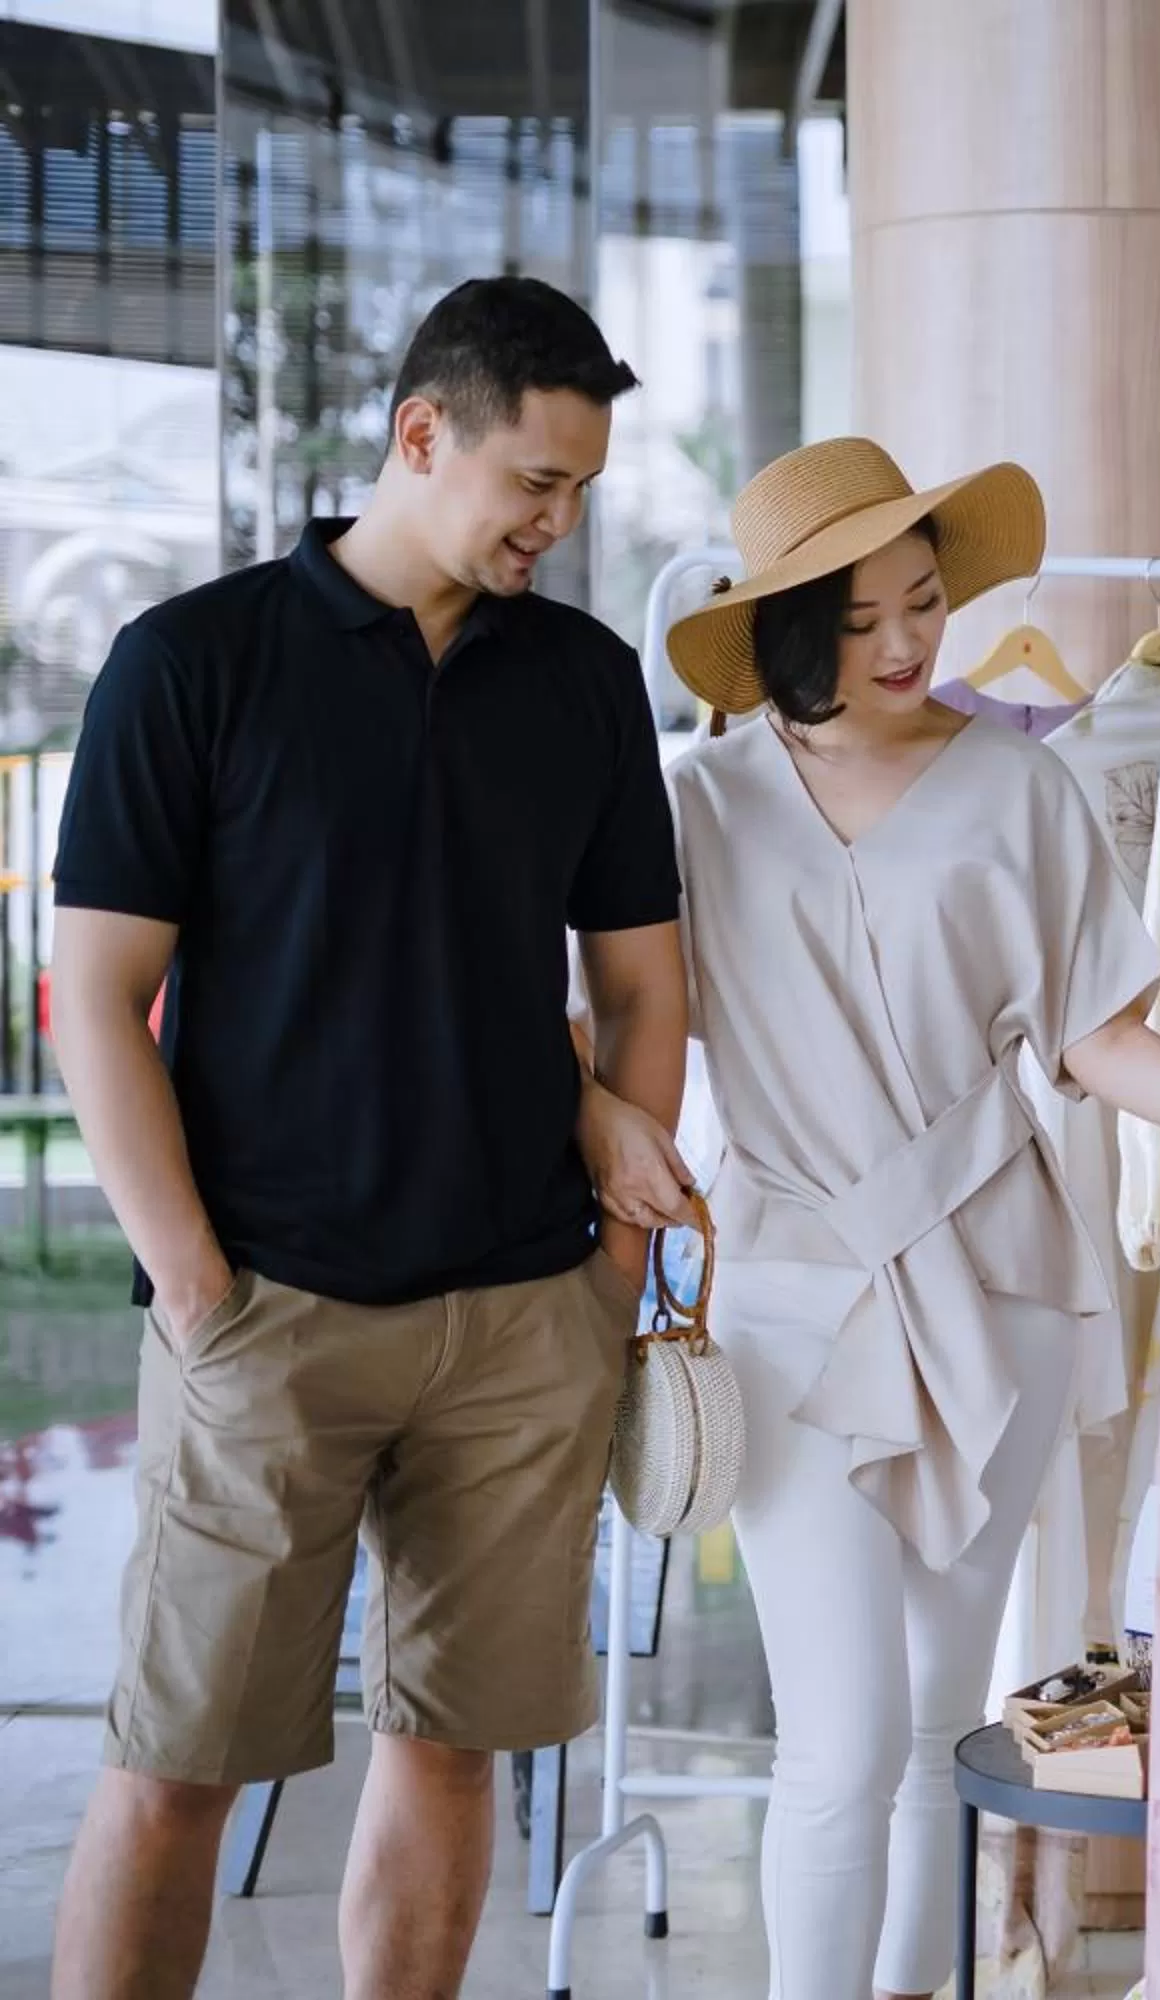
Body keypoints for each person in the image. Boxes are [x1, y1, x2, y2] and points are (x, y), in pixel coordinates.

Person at [566, 435, 1160, 2000]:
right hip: (792, 1296)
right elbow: (608, 1012)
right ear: (787, 630)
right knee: (832, 1738)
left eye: (927, 603)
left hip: (997, 1284)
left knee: (933, 1718)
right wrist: (597, 1114)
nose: (911, 644)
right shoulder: (695, 803)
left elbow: (1091, 1039)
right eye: (866, 617)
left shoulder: (1021, 786)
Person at [47, 276, 685, 2000]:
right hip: (267, 1306)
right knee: (177, 1766)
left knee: (456, 1751)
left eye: (580, 494)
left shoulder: (586, 681)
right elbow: (92, 998)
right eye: (534, 485)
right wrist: (193, 1285)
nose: (558, 525)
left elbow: (640, 990)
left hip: (519, 1316)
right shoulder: (189, 662)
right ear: (422, 436)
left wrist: (611, 1270)